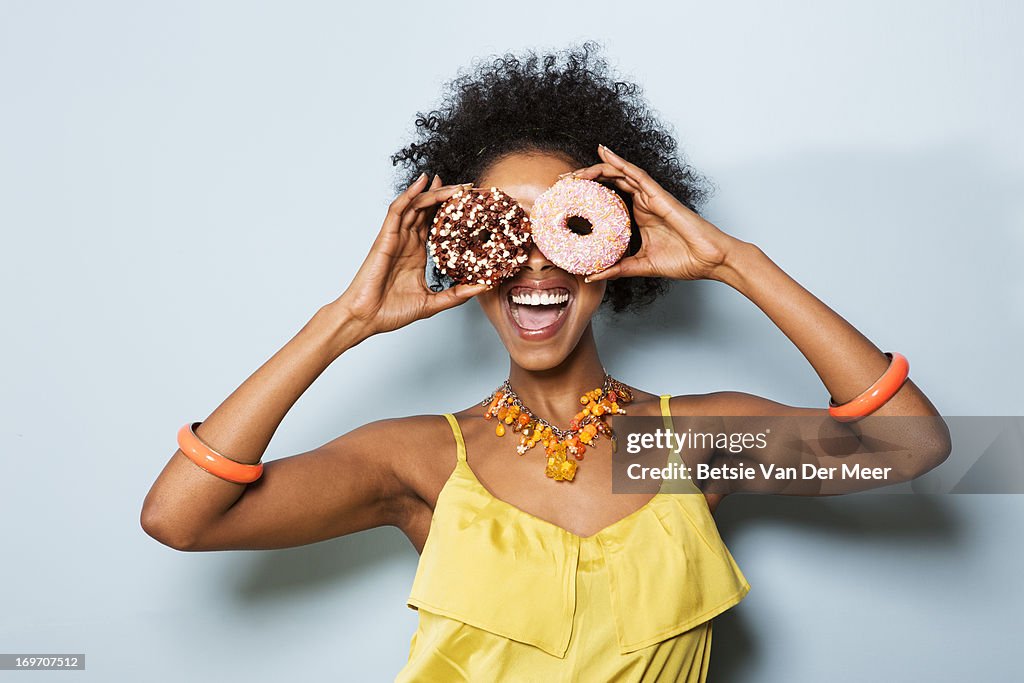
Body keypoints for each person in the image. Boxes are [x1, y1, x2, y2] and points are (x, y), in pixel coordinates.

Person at [141, 43, 950, 682]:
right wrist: (343, 321)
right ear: (463, 254)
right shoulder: (420, 458)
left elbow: (912, 447)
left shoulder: (673, 446)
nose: (535, 262)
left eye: (564, 223)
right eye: (504, 228)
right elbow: (179, 518)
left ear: (614, 244)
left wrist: (735, 262)